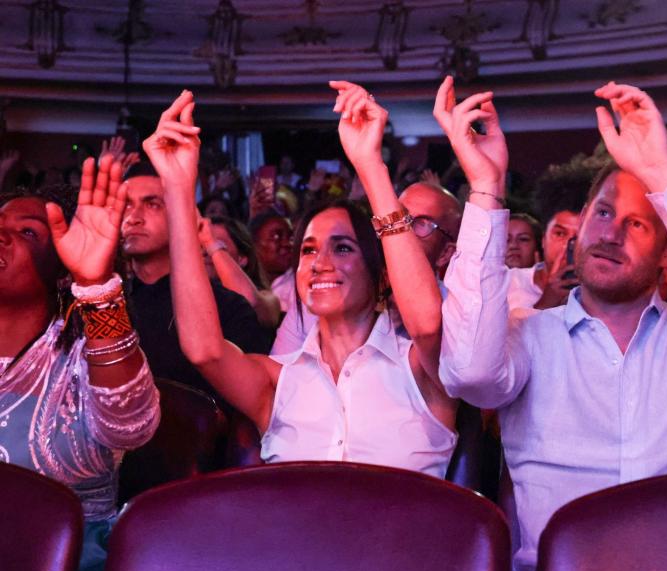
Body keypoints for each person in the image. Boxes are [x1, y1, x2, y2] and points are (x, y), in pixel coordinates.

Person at [437, 65, 667, 571]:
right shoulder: (529, 337)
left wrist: (663, 173)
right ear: (580, 223)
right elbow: (468, 373)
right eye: (603, 213)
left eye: (637, 223)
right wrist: (487, 188)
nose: (610, 232)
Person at [148, 88, 457, 476]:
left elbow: (427, 323)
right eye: (308, 251)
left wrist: (370, 164)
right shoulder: (279, 381)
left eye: (343, 248)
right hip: (290, 537)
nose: (320, 263)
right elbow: (204, 350)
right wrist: (177, 189)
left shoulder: (421, 370)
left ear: (381, 275)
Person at [0, 157, 160, 571]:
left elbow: (131, 424)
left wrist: (95, 284)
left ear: (62, 267)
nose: (2, 234)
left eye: (27, 232)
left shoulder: (81, 358)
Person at [121, 161, 271, 394]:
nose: (133, 217)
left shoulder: (226, 306)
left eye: (152, 204)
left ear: (184, 216)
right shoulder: (107, 304)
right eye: (127, 205)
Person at [269, 176, 463, 355]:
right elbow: (280, 377)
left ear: (445, 254)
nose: (398, 231)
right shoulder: (326, 290)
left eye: (420, 223)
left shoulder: (454, 318)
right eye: (396, 216)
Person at [200, 216, 282, 330]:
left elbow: (250, 303)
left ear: (242, 258)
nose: (205, 251)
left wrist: (211, 243)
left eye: (219, 244)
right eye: (200, 245)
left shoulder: (269, 299)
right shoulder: (182, 298)